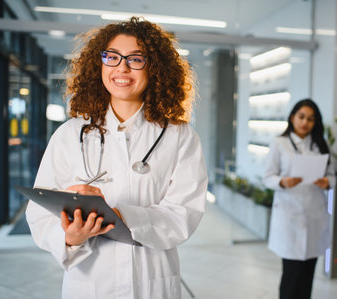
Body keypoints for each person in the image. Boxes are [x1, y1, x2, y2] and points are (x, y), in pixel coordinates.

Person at [26, 17, 208, 299]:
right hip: (90, 283)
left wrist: (120, 215)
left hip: (152, 280)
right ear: (100, 63)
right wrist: (71, 237)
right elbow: (39, 213)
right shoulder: (70, 134)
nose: (121, 67)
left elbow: (185, 213)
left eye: (136, 59)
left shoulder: (180, 136)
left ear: (155, 67)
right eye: (112, 57)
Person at [263, 99, 335, 299]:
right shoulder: (280, 143)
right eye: (301, 117)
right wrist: (283, 182)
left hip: (314, 214)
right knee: (291, 276)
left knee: (307, 275)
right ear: (292, 117)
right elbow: (267, 177)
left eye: (311, 119)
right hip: (289, 214)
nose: (305, 122)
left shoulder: (320, 144)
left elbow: (332, 176)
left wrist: (326, 182)